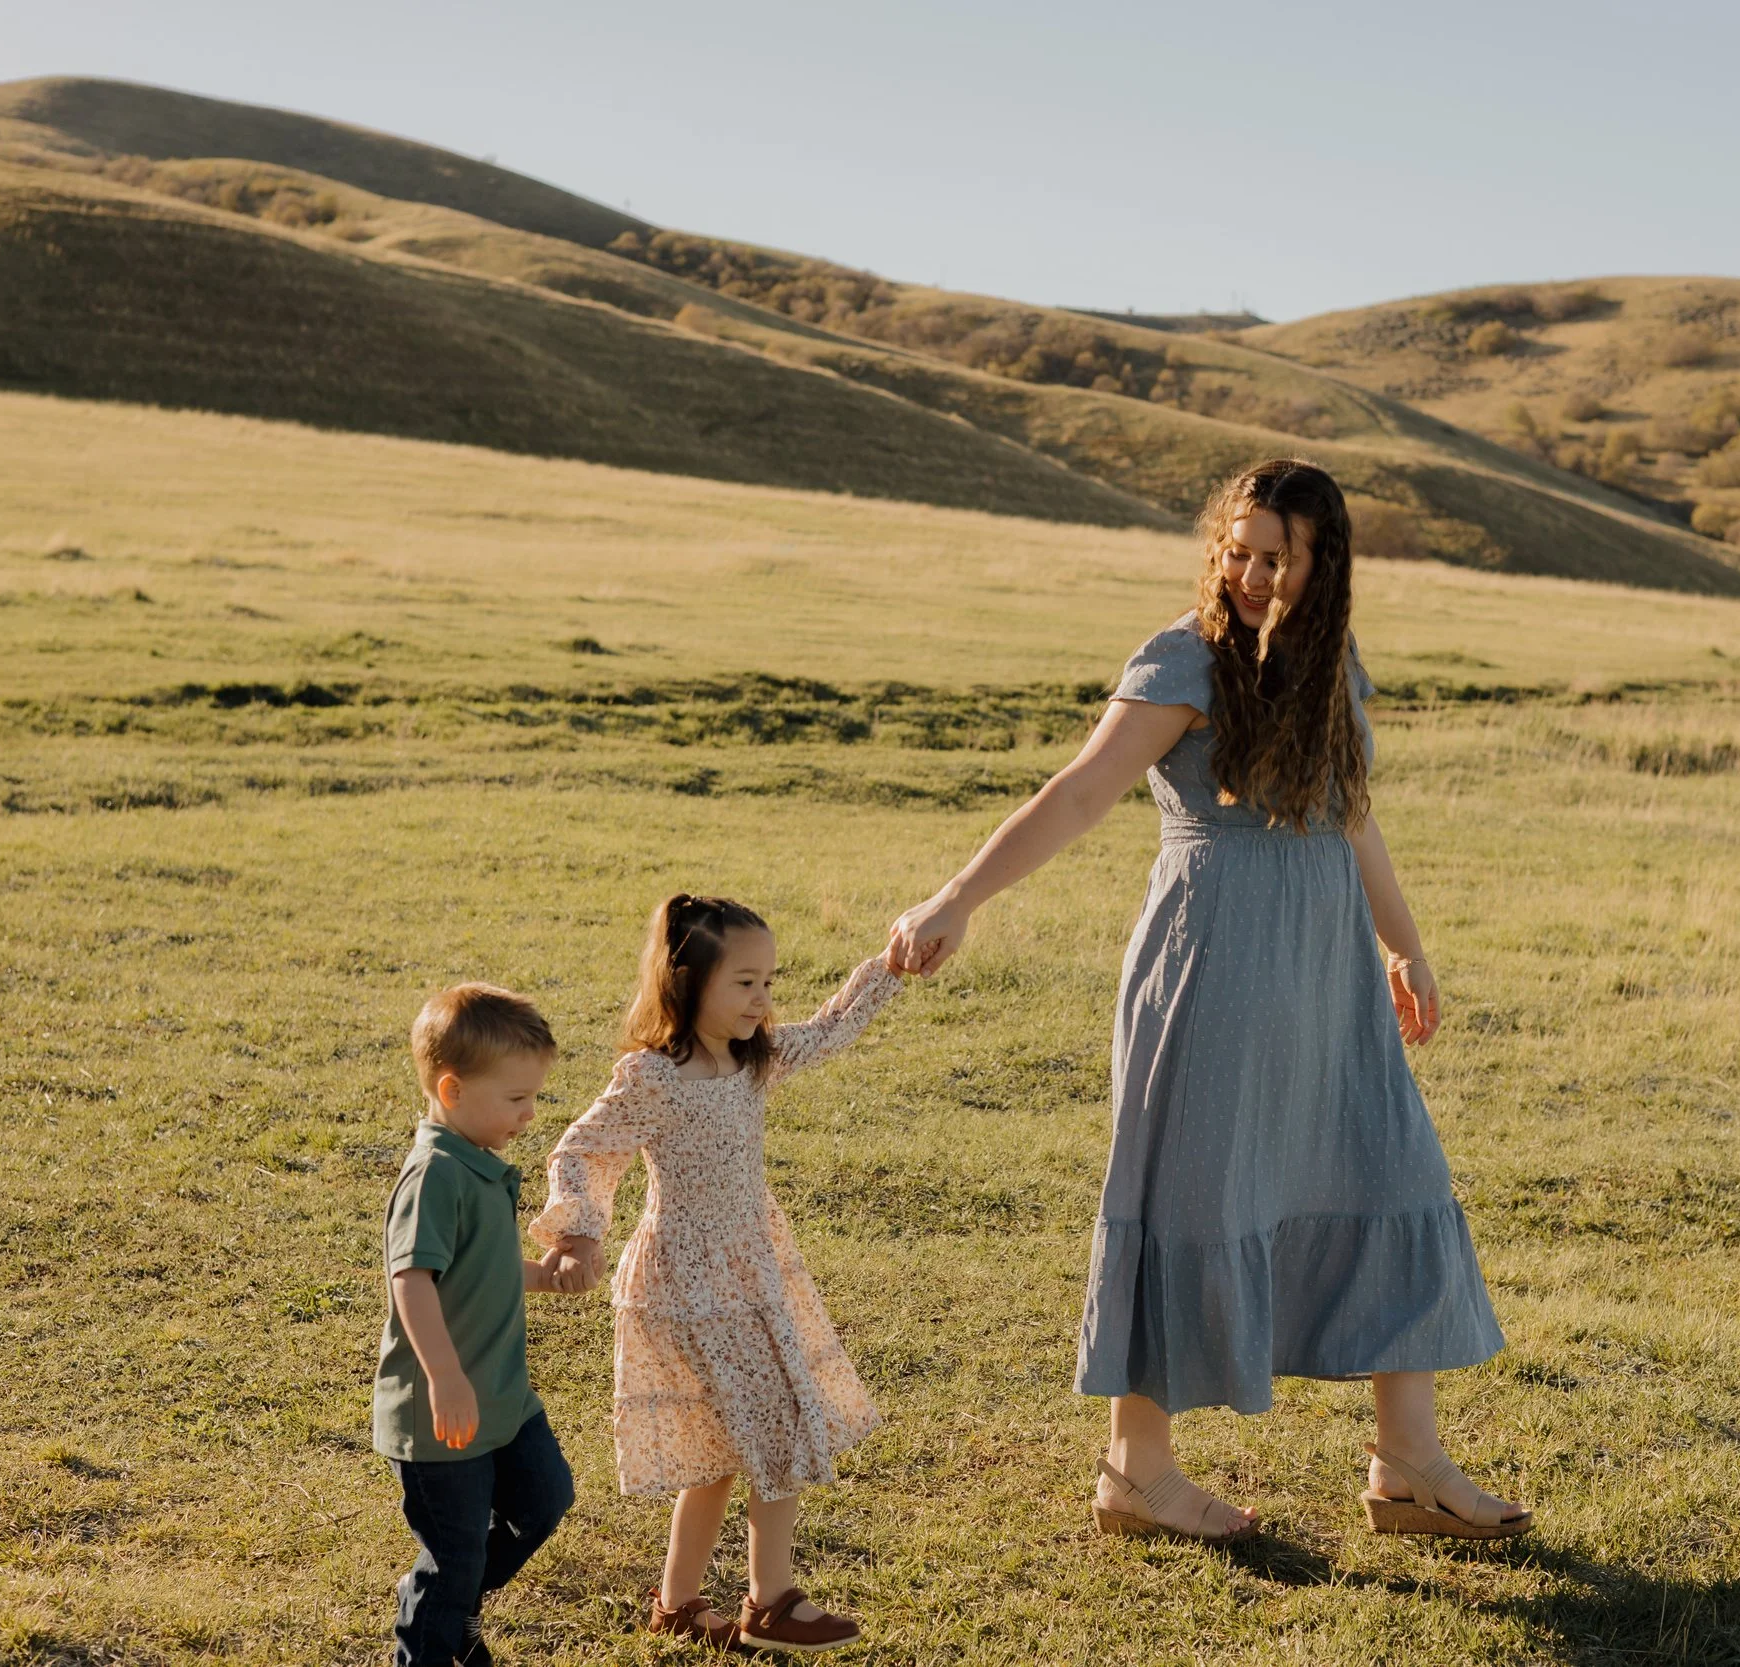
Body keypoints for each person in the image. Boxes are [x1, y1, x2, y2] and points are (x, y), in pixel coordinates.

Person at [889, 458, 1531, 1544]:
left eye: (1275, 557)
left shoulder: (1332, 662)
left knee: (1393, 1167)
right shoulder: (1185, 658)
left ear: (1322, 563)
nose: (1248, 572)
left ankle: (1408, 1464)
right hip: (1213, 958)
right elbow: (1082, 788)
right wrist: (959, 896)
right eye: (1235, 548)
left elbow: (1352, 811)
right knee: (1187, 1195)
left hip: (1325, 968)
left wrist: (1404, 943)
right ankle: (1136, 1470)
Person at [536, 895, 902, 1652]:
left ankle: (676, 1604)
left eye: (769, 982)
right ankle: (770, 1603)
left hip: (749, 1268)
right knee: (776, 1422)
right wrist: (577, 1230)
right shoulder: (654, 1076)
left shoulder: (753, 1056)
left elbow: (830, 1029)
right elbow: (582, 1148)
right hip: (685, 1278)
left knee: (721, 1450)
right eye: (744, 983)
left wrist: (890, 970)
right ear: (687, 980)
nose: (763, 999)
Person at [374, 983, 578, 1667]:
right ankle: (434, 1631)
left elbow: (482, 1263)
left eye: (534, 1097)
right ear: (454, 1090)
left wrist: (543, 1275)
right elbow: (412, 1278)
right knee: (457, 1551)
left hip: (503, 1398)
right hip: (445, 1416)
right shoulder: (434, 1173)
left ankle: (448, 1598)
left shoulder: (478, 1162)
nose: (529, 1114)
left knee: (548, 1497)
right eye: (516, 1098)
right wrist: (444, 1375)